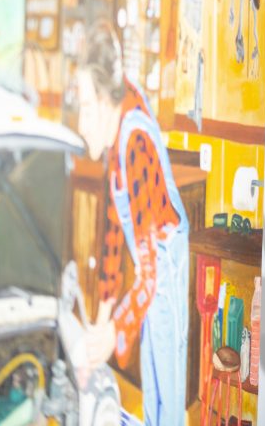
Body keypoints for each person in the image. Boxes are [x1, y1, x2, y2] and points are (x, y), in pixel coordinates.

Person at [76, 22, 189, 426]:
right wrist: (102, 321)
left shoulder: (135, 143)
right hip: (150, 266)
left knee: (167, 392)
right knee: (152, 387)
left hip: (165, 265)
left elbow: (151, 275)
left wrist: (111, 335)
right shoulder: (116, 128)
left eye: (85, 107)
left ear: (106, 101)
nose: (80, 122)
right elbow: (113, 231)